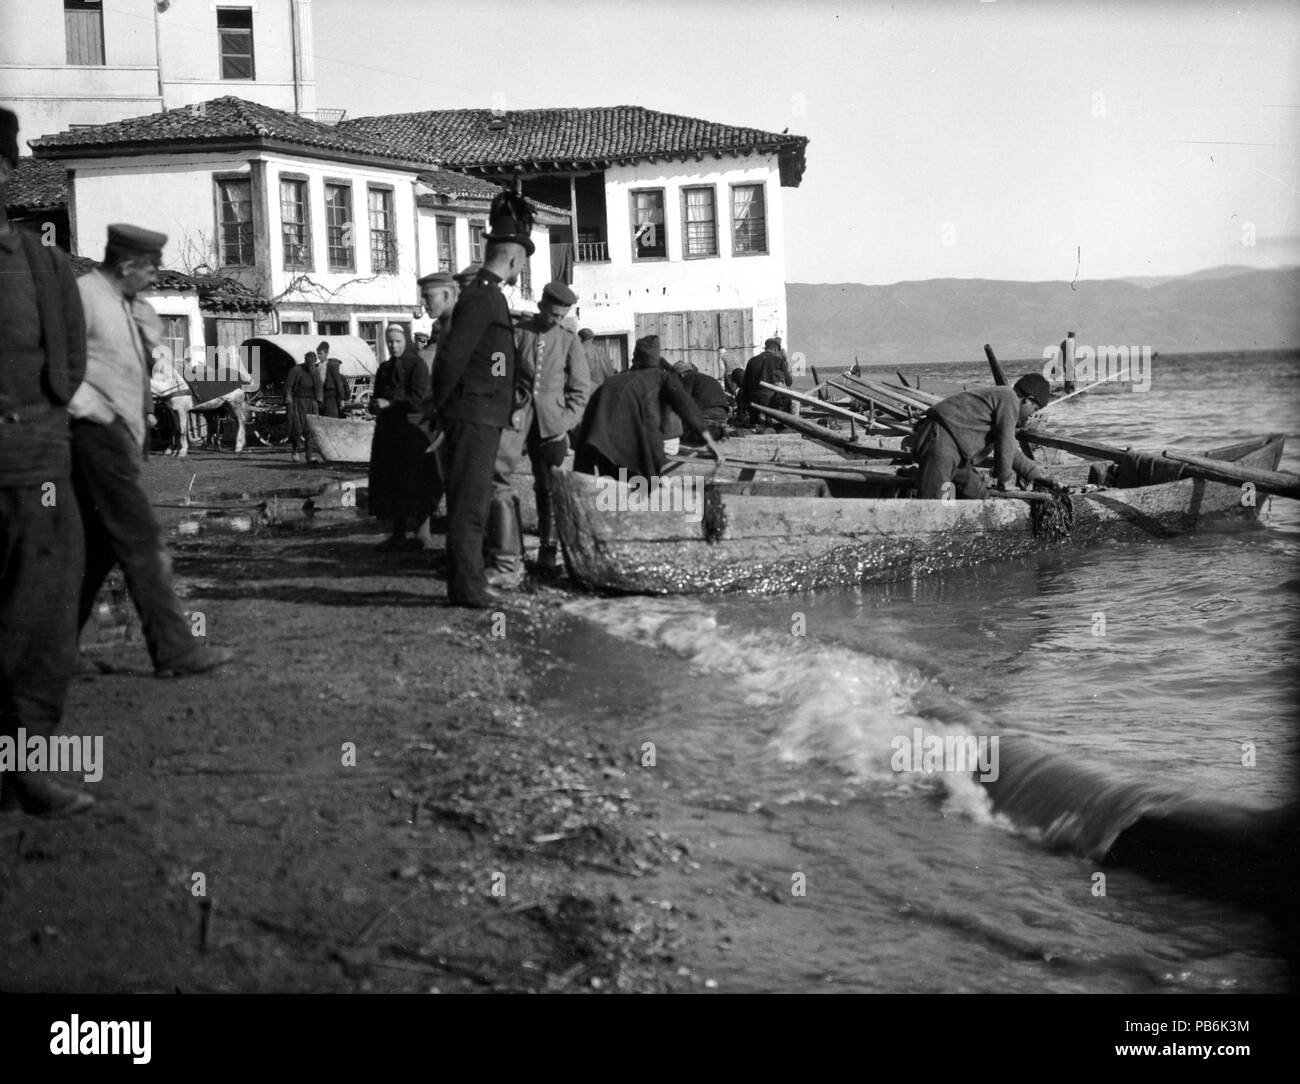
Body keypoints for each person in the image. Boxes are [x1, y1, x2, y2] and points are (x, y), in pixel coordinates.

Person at [68, 222, 234, 680]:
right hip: (95, 435)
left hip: (122, 438)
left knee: (97, 549)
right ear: (126, 265)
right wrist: (92, 412)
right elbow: (57, 365)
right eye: (151, 268)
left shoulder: (128, 304)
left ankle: (55, 654)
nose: (157, 275)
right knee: (145, 544)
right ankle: (175, 650)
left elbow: (138, 365)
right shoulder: (82, 297)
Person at [0, 107, 95, 817]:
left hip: (36, 465)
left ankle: (27, 765)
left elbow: (69, 358)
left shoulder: (42, 263)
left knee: (42, 623)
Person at [430, 193, 530, 608]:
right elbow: (451, 358)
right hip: (472, 416)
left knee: (473, 502)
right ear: (512, 259)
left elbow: (490, 360)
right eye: (523, 260)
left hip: (482, 414)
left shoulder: (489, 298)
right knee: (469, 507)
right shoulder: (481, 298)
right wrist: (443, 412)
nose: (522, 268)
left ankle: (469, 584)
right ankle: (467, 589)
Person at [486, 281, 590, 582]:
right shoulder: (519, 332)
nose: (555, 320)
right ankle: (505, 549)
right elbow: (498, 370)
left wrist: (565, 420)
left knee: (549, 489)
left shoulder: (569, 340)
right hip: (516, 422)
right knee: (498, 480)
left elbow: (581, 388)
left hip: (551, 427)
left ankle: (548, 548)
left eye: (561, 316)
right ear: (542, 306)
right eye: (552, 314)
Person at [574, 335, 724, 479]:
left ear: (636, 359)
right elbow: (687, 409)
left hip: (601, 448)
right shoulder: (662, 379)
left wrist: (581, 470)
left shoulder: (612, 382)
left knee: (614, 493)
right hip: (631, 453)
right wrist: (710, 442)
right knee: (641, 492)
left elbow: (589, 422)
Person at [910, 372, 1064, 499]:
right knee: (936, 502)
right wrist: (1004, 478)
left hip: (959, 454)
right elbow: (1005, 444)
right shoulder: (1008, 397)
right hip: (940, 442)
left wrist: (1037, 476)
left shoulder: (1002, 401)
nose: (1030, 416)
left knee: (978, 494)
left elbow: (1011, 451)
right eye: (1034, 409)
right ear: (1028, 400)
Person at [369, 324, 432, 550]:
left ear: (406, 341)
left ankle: (422, 533)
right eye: (390, 342)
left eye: (398, 341)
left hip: (412, 430)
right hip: (388, 432)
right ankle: (397, 533)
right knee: (391, 482)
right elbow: (377, 395)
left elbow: (418, 397)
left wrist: (392, 403)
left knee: (415, 481)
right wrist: (374, 405)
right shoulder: (384, 368)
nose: (394, 346)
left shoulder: (417, 365)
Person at [284, 348, 323, 462]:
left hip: (311, 402)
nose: (312, 366)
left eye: (313, 364)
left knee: (310, 429)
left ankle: (309, 455)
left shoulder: (315, 371)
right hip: (298, 402)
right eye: (310, 364)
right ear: (306, 362)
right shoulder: (296, 370)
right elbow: (288, 387)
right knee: (297, 428)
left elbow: (319, 387)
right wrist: (289, 402)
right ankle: (295, 451)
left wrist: (319, 402)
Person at [674, 360, 729, 440]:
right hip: (721, 420)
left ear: (682, 374)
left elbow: (682, 402)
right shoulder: (709, 379)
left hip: (706, 419)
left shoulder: (688, 378)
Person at [743, 337, 793, 426]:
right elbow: (789, 382)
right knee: (770, 427)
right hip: (770, 401)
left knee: (755, 427)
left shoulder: (752, 360)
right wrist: (786, 362)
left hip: (753, 400)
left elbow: (744, 385)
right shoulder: (778, 360)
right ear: (776, 349)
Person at [318, 340, 350, 419]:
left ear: (326, 353)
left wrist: (342, 399)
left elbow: (338, 382)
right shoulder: (317, 367)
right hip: (320, 397)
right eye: (318, 354)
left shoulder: (332, 366)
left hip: (331, 397)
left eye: (320, 354)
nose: (319, 356)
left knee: (331, 417)